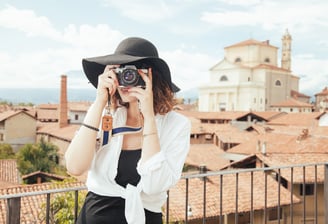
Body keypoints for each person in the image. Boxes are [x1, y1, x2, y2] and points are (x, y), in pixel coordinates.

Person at [65, 37, 191, 224]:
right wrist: (100, 101)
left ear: (151, 76)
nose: (126, 78)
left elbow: (154, 185)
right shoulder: (105, 114)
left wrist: (148, 117)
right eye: (120, 71)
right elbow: (75, 167)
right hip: (95, 216)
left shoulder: (176, 125)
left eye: (132, 71)